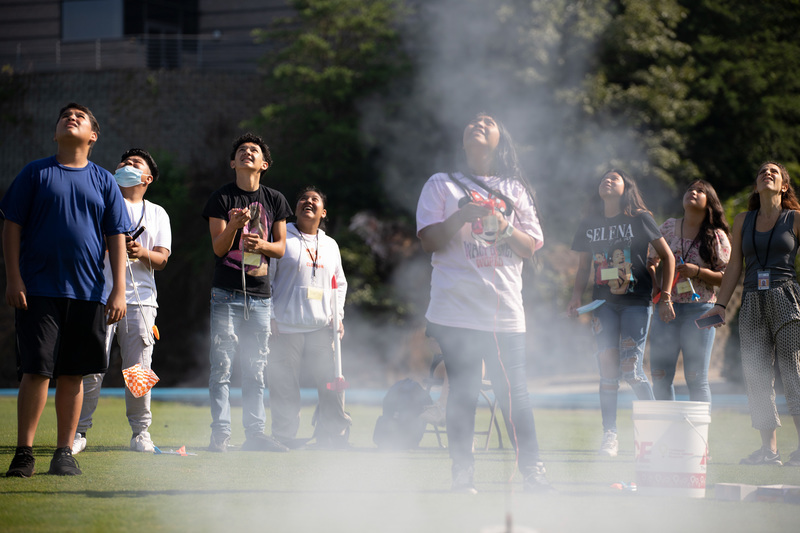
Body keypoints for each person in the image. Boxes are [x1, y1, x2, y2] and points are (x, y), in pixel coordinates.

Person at [416, 112, 551, 493]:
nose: (478, 123)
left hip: (505, 310)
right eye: (473, 122)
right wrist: (462, 215)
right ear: (462, 141)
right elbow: (428, 240)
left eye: (488, 122)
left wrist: (504, 226)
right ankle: (463, 475)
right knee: (463, 391)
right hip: (454, 310)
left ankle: (534, 473)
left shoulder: (515, 188)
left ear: (500, 139)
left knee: (515, 392)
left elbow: (529, 248)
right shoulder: (441, 183)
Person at [1, 103, 128, 477]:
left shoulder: (104, 180)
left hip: (88, 294)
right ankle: (24, 452)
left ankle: (63, 453)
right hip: (37, 290)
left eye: (80, 117)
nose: (70, 118)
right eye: (64, 116)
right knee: (37, 370)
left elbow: (116, 237)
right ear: (55, 133)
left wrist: (118, 289)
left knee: (73, 374)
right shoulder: (34, 173)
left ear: (93, 136)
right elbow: (11, 227)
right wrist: (13, 278)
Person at [567, 169, 675, 457]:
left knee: (632, 369)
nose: (607, 180)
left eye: (615, 178)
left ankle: (657, 432)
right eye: (604, 177)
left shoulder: (639, 217)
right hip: (602, 305)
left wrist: (665, 296)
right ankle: (610, 436)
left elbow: (668, 256)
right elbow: (582, 267)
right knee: (608, 370)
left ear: (626, 187)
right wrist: (575, 296)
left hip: (637, 303)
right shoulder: (589, 223)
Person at [699, 161, 800, 467]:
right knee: (757, 376)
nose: (766, 174)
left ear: (784, 185)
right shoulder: (744, 219)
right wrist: (720, 305)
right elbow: (734, 267)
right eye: (761, 173)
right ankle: (769, 452)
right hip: (753, 300)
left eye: (774, 172)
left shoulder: (795, 218)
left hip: (786, 295)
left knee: (793, 373)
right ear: (756, 186)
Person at [72, 149, 172, 455]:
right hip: (98, 296)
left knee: (138, 370)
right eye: (124, 163)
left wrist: (140, 252)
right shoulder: (100, 203)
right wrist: (111, 245)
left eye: (135, 165)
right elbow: (84, 245)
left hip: (142, 301)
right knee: (91, 367)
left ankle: (141, 432)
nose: (126, 167)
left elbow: (163, 258)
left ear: (147, 178)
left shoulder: (157, 213)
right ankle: (77, 431)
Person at [202, 133, 293, 453]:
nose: (247, 154)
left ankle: (255, 435)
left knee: (256, 369)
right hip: (225, 294)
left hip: (260, 296)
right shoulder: (220, 199)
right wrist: (233, 227)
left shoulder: (276, 200)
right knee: (223, 367)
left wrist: (261, 245)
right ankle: (221, 436)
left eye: (253, 151)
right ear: (232, 162)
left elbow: (280, 248)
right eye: (241, 151)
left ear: (263, 164)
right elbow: (218, 247)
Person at [267, 186, 352, 449]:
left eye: (315, 200)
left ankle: (332, 435)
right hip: (285, 325)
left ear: (323, 212)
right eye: (303, 199)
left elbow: (340, 285)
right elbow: (266, 278)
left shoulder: (330, 245)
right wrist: (269, 316)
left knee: (330, 382)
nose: (308, 202)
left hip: (320, 327)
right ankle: (285, 436)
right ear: (296, 208)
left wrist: (337, 317)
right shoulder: (282, 237)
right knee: (284, 384)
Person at [647, 180, 730, 402]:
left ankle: (700, 437)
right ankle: (667, 435)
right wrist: (655, 285)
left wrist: (697, 271)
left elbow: (725, 277)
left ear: (709, 201)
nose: (692, 192)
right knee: (661, 377)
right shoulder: (667, 227)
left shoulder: (717, 236)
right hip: (666, 309)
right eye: (690, 190)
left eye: (700, 191)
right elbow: (651, 260)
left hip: (702, 310)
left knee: (696, 378)